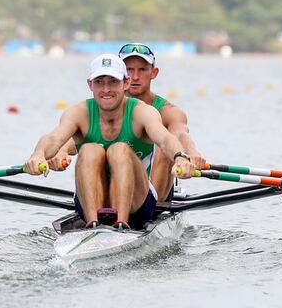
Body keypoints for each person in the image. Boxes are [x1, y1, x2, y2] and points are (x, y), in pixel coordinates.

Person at [25, 53, 195, 230]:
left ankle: (121, 224)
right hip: (91, 205)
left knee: (119, 150)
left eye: (113, 82)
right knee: (89, 150)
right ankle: (93, 224)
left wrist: (180, 157)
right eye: (99, 82)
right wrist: (38, 155)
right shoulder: (78, 113)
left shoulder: (142, 112)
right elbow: (53, 138)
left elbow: (166, 139)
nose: (106, 89)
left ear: (125, 83)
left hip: (137, 204)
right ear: (90, 84)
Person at [118, 42, 207, 202]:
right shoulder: (105, 107)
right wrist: (61, 152)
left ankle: (151, 209)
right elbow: (76, 135)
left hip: (153, 196)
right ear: (119, 73)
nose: (135, 77)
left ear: (154, 72)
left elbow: (180, 133)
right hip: (116, 190)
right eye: (129, 69)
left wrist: (192, 153)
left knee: (166, 144)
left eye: (143, 69)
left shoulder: (168, 112)